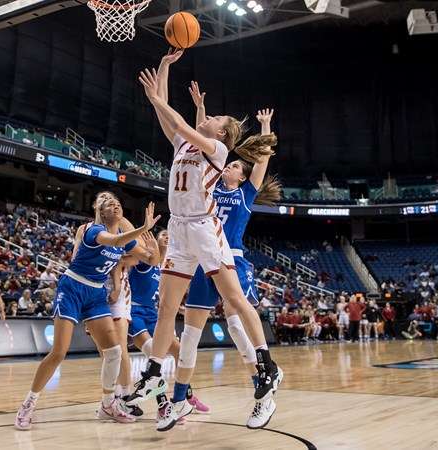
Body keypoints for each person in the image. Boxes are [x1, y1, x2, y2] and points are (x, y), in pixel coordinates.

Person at [130, 50, 281, 432]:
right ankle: (155, 376)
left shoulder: (219, 151)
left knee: (234, 306)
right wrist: (165, 66)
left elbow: (178, 120)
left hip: (206, 231)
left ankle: (266, 366)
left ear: (222, 134)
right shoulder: (186, 146)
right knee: (168, 309)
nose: (208, 117)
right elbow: (171, 121)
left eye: (214, 118)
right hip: (180, 231)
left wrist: (159, 99)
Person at [177, 97, 281, 425]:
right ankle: (179, 399)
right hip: (202, 255)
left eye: (236, 166)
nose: (231, 166)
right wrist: (198, 111)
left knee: (235, 322)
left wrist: (265, 128)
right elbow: (194, 141)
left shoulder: (246, 193)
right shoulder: (209, 184)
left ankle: (263, 392)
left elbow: (261, 162)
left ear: (242, 176)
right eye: (231, 163)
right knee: (191, 332)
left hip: (231, 257)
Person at [14, 198, 159, 431]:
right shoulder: (95, 231)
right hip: (72, 287)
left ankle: (107, 404)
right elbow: (114, 240)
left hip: (95, 293)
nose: (115, 205)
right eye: (109, 203)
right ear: (101, 212)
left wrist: (155, 251)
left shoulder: (125, 237)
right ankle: (28, 404)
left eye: (118, 203)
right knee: (59, 352)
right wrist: (142, 229)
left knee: (113, 351)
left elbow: (152, 260)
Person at [120, 229, 209, 415]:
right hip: (134, 311)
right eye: (163, 235)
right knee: (153, 353)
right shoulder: (146, 260)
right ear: (155, 240)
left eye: (169, 235)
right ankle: (162, 405)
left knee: (180, 353)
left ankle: (186, 395)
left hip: (155, 314)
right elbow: (126, 257)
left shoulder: (170, 267)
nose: (167, 236)